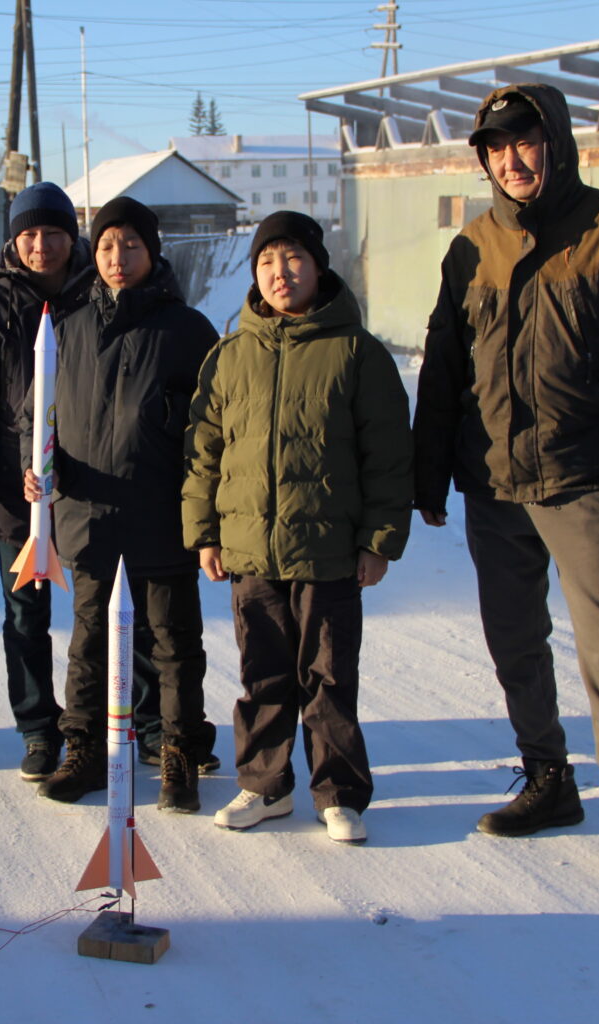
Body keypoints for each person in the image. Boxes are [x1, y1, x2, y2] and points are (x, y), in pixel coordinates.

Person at [412, 85, 599, 891]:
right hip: (494, 483)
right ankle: (548, 779)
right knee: (515, 646)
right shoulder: (470, 247)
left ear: (556, 142)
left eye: (523, 142)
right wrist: (429, 470)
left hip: (582, 479)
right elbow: (444, 369)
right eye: (496, 149)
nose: (511, 159)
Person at [184, 211, 412, 843]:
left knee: (330, 674)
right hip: (251, 550)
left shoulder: (358, 354)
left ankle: (339, 792)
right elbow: (205, 450)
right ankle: (265, 786)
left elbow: (389, 456)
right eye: (266, 262)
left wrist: (378, 542)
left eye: (293, 261)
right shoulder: (231, 355)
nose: (280, 274)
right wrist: (206, 533)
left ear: (318, 267)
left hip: (330, 551)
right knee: (263, 672)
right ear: (254, 274)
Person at [0, 182, 179, 781]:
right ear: (13, 239)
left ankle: (142, 723)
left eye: (52, 232)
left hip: (91, 488)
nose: (41, 245)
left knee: (116, 608)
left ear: (72, 236)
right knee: (26, 613)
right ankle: (39, 728)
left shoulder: (94, 292)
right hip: (13, 490)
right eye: (28, 234)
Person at [22, 197, 217, 811]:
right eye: (106, 246)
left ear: (152, 252)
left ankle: (179, 754)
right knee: (89, 641)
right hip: (92, 518)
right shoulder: (69, 328)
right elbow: (38, 417)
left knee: (174, 643)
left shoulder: (188, 331)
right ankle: (84, 748)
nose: (117, 257)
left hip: (162, 518)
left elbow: (215, 429)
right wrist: (36, 469)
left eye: (130, 245)